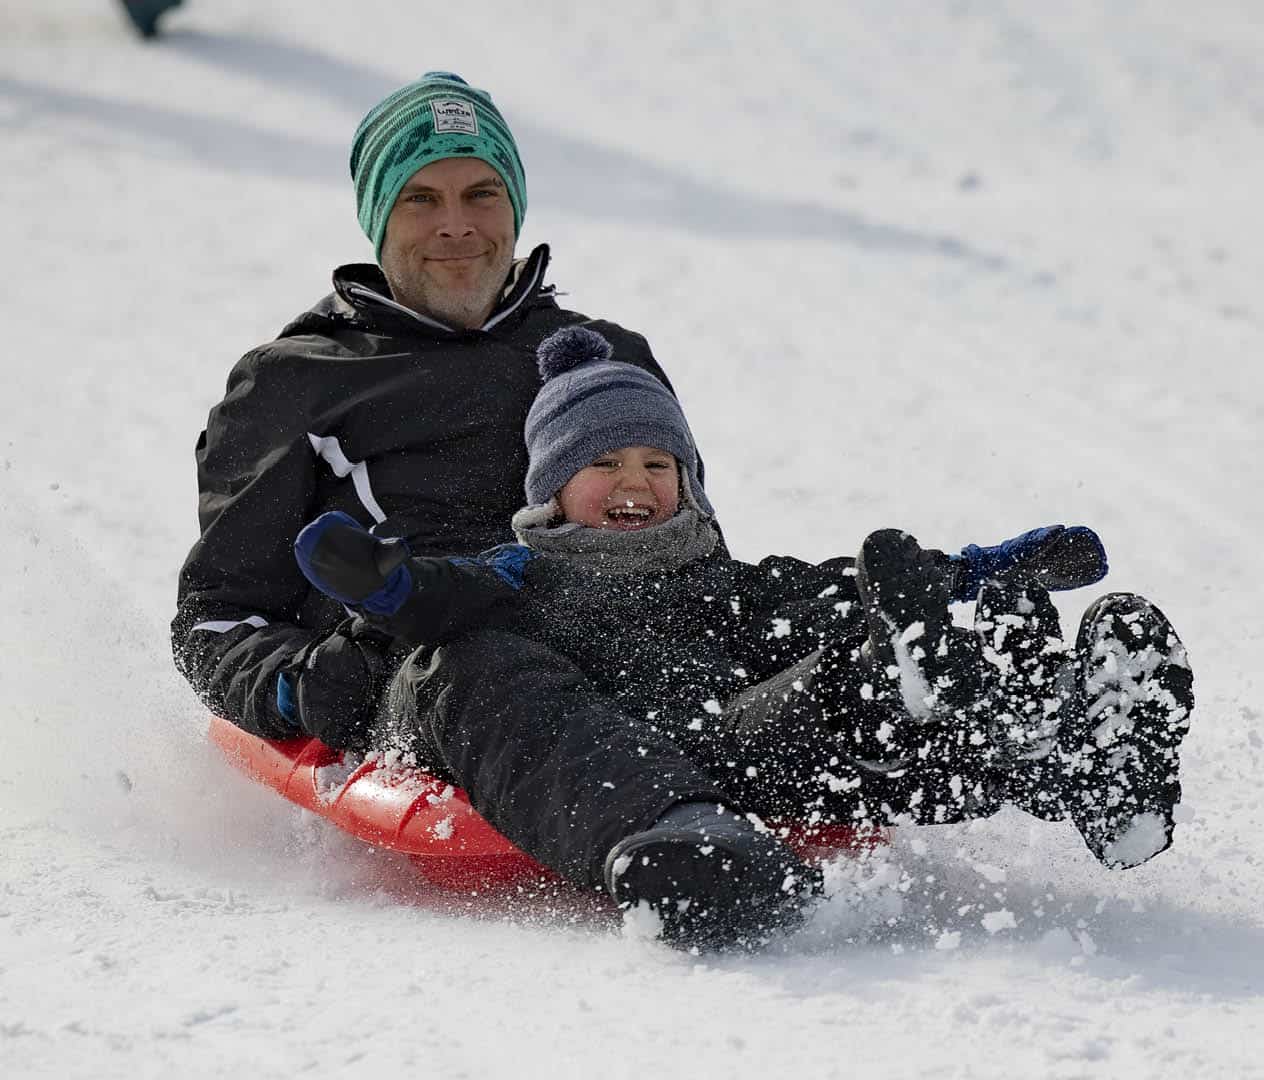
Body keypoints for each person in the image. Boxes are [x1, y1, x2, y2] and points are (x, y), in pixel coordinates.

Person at [292, 326, 1197, 950]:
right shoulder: (524, 577)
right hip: (643, 755)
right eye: (601, 464)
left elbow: (833, 587)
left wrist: (980, 570)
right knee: (854, 701)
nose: (634, 482)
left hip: (751, 739)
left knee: (852, 652)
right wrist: (391, 586)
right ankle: (913, 703)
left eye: (658, 463)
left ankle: (1072, 754)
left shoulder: (716, 579)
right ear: (551, 487)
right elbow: (442, 605)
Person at [171, 72, 705, 763]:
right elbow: (217, 615)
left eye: (481, 193)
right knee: (491, 670)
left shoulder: (606, 357)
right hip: (441, 682)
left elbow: (693, 545)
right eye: (421, 199)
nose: (456, 224)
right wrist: (301, 686)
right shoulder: (295, 382)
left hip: (636, 667)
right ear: (379, 216)